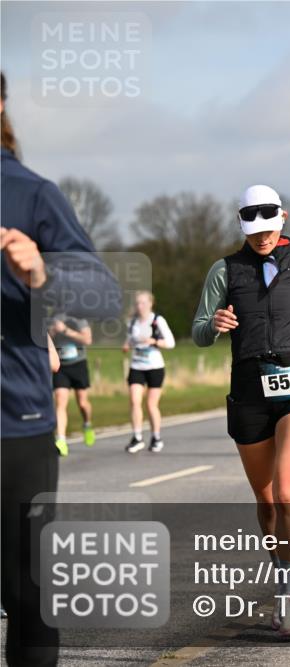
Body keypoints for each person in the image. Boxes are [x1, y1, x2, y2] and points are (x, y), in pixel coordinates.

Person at [2, 70, 122, 667]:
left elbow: (105, 294)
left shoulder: (29, 193)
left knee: (25, 595)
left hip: (13, 426)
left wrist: (43, 273)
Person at [192, 184, 290, 639]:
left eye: (269, 228)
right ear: (242, 226)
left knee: (286, 491)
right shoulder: (224, 271)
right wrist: (214, 325)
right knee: (265, 499)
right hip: (249, 390)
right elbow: (198, 329)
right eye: (253, 230)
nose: (261, 238)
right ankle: (282, 581)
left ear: (284, 219)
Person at [123, 291, 175, 453]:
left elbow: (171, 343)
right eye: (137, 303)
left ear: (150, 303)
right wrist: (126, 345)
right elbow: (129, 340)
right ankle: (137, 437)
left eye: (143, 303)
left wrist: (154, 341)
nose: (140, 306)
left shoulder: (157, 320)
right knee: (134, 400)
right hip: (137, 366)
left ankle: (156, 437)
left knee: (151, 404)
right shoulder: (133, 322)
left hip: (154, 366)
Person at [49, 312, 96, 455]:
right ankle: (61, 440)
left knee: (82, 403)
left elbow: (87, 340)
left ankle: (87, 424)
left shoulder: (79, 319)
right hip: (61, 366)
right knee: (60, 402)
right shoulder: (53, 318)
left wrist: (65, 330)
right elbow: (46, 340)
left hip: (78, 364)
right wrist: (52, 331)